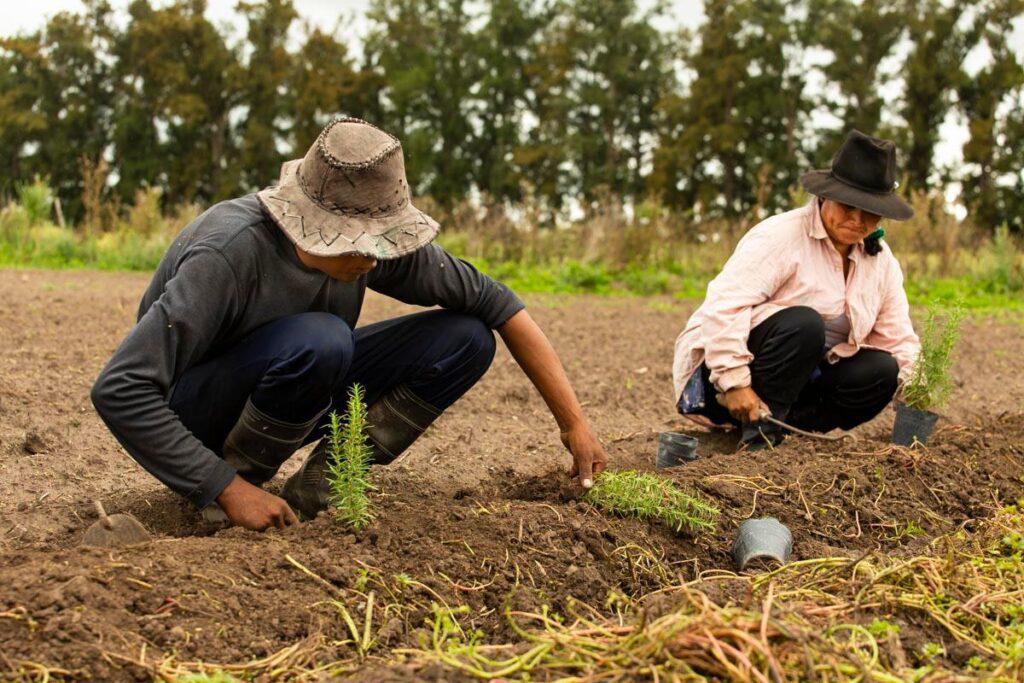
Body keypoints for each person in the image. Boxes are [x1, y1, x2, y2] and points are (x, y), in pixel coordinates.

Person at [91, 117, 608, 530]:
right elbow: (121, 387)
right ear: (311, 228)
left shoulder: (374, 251)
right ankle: (230, 495)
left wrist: (574, 423)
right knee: (322, 339)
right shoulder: (229, 253)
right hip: (200, 415)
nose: (374, 258)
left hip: (294, 388)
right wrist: (226, 487)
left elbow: (500, 305)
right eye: (359, 244)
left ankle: (323, 487)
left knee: (467, 338)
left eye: (383, 242)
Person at [672, 129, 921, 450]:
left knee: (882, 370)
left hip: (800, 384)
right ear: (826, 197)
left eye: (870, 212)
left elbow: (897, 339)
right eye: (848, 207)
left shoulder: (881, 261)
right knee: (805, 324)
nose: (857, 219)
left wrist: (915, 392)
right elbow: (724, 306)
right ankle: (757, 436)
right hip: (722, 382)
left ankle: (783, 430)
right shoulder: (781, 236)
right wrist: (734, 382)